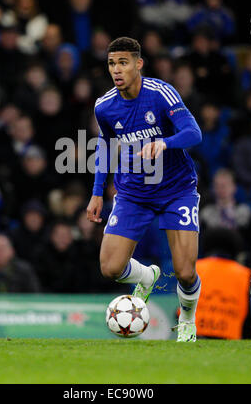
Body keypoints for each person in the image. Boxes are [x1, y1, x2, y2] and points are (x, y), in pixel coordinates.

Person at [86, 37, 202, 342]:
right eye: (112, 63)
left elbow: (194, 132)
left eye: (123, 62)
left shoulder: (161, 93)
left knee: (185, 272)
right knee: (110, 267)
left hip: (176, 189)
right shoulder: (105, 106)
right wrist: (98, 191)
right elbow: (106, 145)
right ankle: (146, 276)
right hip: (133, 193)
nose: (116, 70)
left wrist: (164, 142)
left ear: (139, 64)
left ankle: (187, 318)